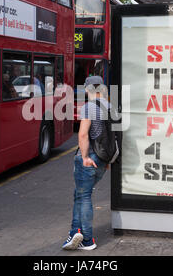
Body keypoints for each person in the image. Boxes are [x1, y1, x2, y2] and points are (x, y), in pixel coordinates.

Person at [62, 75, 109, 251]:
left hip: (90, 159)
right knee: (80, 194)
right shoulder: (110, 107)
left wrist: (84, 157)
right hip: (103, 161)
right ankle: (75, 231)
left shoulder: (89, 107)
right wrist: (109, 159)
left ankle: (87, 240)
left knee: (84, 196)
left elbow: (82, 134)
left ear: (89, 90)